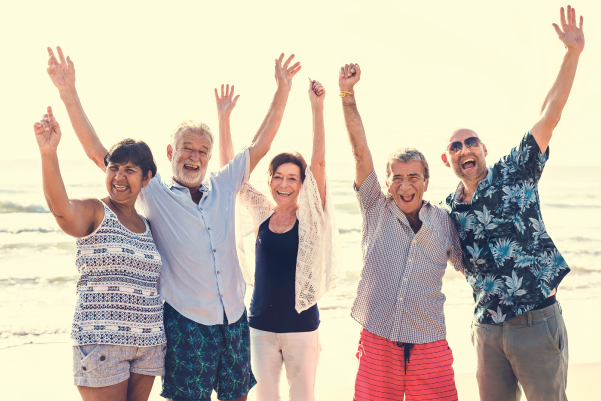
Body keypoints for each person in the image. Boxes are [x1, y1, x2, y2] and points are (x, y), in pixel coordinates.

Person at [45, 45, 302, 401]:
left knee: (238, 396)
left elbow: (262, 142)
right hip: (185, 322)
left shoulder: (226, 185)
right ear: (170, 153)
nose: (193, 156)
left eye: (201, 151)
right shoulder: (153, 191)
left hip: (233, 318)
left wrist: (282, 88)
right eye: (186, 148)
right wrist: (68, 92)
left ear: (209, 157)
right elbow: (98, 152)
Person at [440, 6, 583, 401]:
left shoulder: (515, 169)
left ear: (483, 148)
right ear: (447, 159)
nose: (465, 149)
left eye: (471, 142)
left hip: (536, 321)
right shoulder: (447, 209)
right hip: (486, 330)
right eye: (455, 146)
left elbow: (549, 114)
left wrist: (572, 54)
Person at [339, 63, 464, 401]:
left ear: (426, 181)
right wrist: (347, 96)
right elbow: (359, 150)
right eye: (397, 177)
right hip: (379, 337)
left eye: (413, 177)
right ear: (387, 181)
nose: (405, 185)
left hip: (429, 340)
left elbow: (473, 268)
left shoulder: (444, 221)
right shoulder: (374, 206)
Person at [215, 80, 342, 400]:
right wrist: (224, 119)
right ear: (270, 179)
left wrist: (317, 108)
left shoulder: (312, 219)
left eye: (292, 178)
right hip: (260, 329)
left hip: (302, 330)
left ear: (302, 184)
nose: (284, 184)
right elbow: (231, 175)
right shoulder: (262, 214)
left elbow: (320, 164)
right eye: (278, 177)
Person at [33, 107, 164, 400]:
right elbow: (61, 210)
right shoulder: (96, 211)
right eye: (113, 168)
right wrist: (48, 154)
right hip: (101, 344)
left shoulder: (147, 223)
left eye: (129, 170)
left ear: (146, 178)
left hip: (148, 344)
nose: (118, 176)